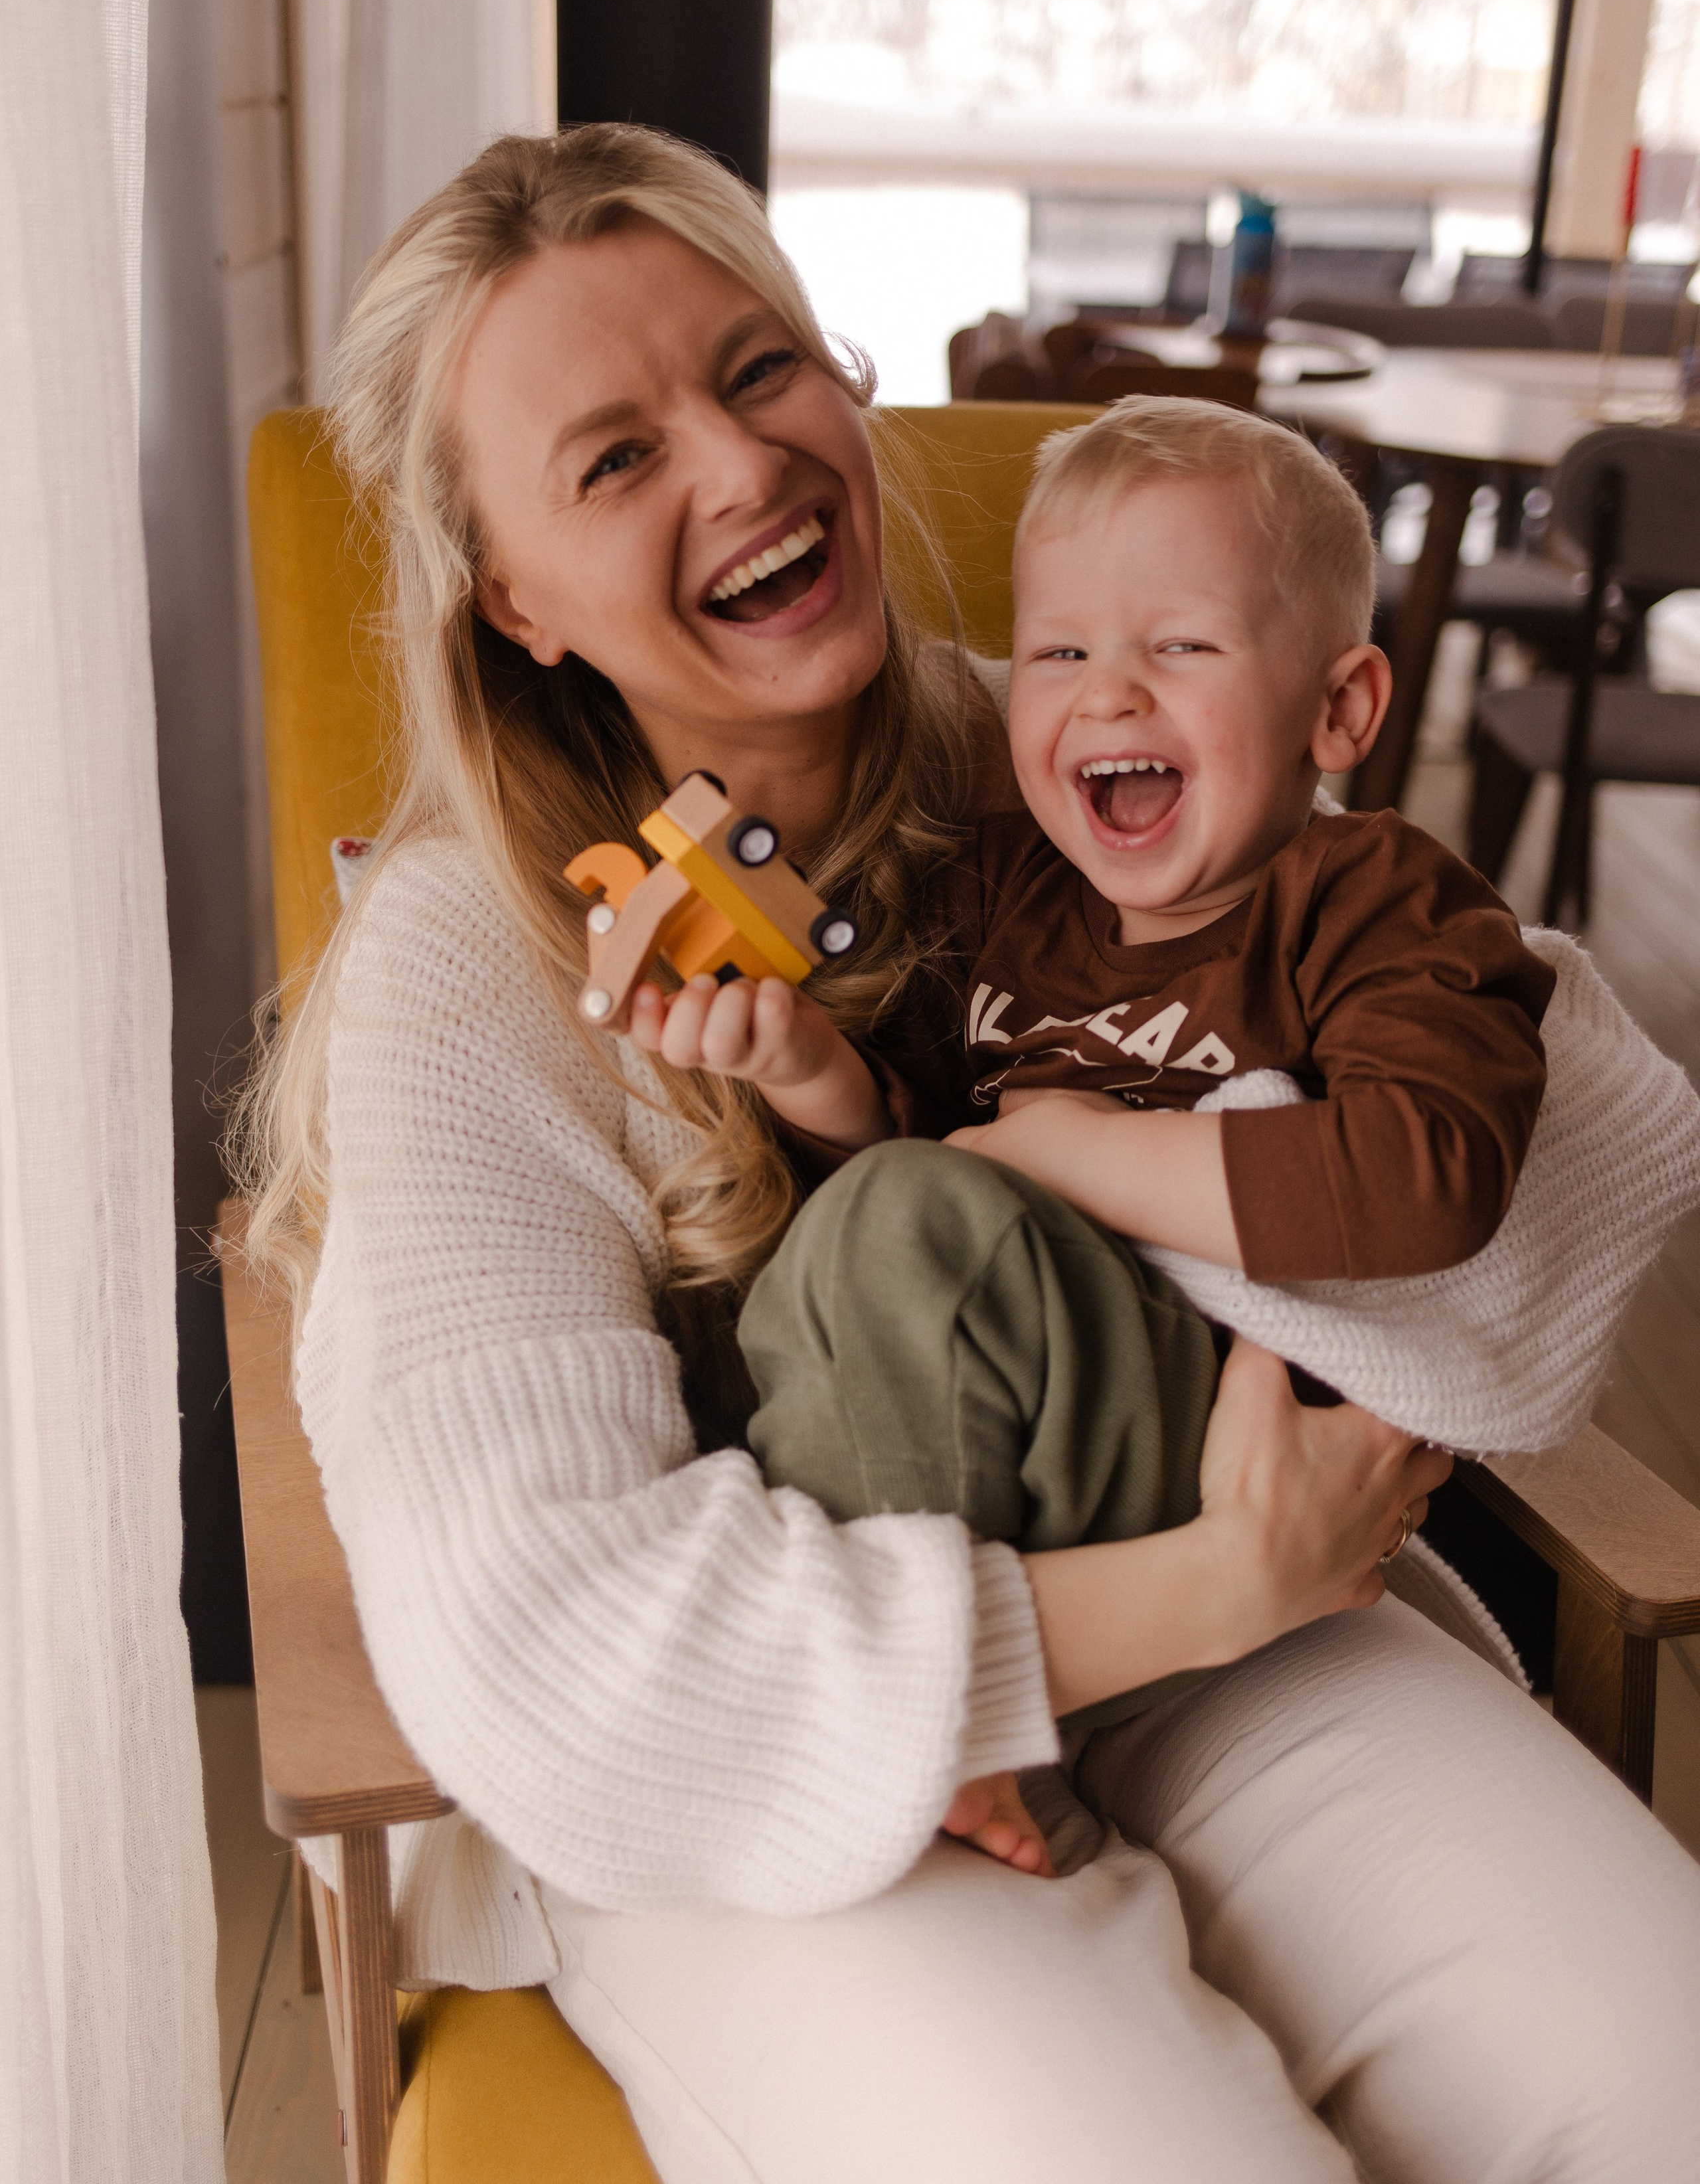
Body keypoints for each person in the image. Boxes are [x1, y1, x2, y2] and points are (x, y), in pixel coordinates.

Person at [238, 124, 1700, 2183]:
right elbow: (552, 1644)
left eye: (760, 373)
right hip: (771, 1760)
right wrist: (1203, 1577)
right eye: (614, 457)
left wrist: (1168, 1173)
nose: (739, 469)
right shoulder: (468, 968)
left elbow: (1561, 1170)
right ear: (512, 600)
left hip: (1241, 1623)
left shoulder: (1082, 753)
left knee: (1664, 2079)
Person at [628, 395, 1559, 1872]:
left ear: (1338, 711)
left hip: (1234, 1471)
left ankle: (926, 1720)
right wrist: (812, 1073)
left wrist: (1062, 1151)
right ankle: (900, 1689)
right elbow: (932, 1170)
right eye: (1057, 651)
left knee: (887, 1232)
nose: (1106, 694)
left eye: (1179, 647)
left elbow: (1429, 1176)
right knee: (809, 1272)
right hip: (1033, 1472)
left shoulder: (1371, 896)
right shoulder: (1010, 899)